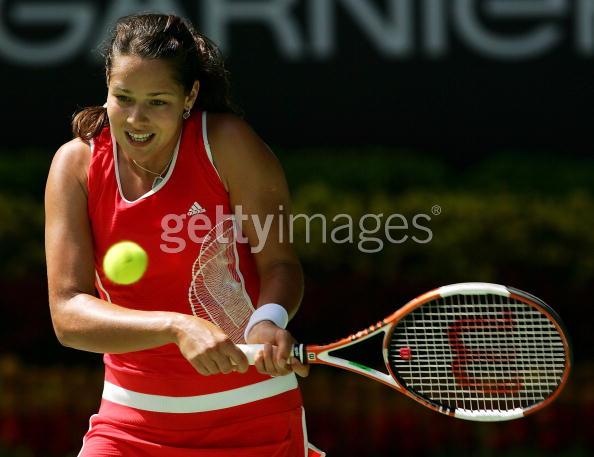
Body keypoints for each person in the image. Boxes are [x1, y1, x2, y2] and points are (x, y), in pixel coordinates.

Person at [45, 13, 324, 457]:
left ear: (189, 95)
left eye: (157, 101)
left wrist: (267, 320)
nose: (136, 118)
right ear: (107, 84)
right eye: (123, 97)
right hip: (128, 428)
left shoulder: (228, 145)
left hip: (253, 421)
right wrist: (175, 327)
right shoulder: (74, 167)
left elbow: (280, 263)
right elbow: (68, 314)